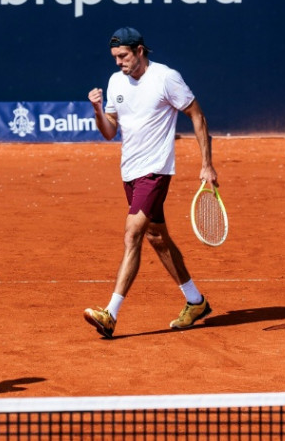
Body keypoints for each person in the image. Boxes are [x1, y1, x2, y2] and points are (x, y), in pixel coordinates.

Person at [83, 27, 218, 339]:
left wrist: (206, 164)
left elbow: (197, 116)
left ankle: (110, 314)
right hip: (129, 172)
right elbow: (109, 130)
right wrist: (97, 110)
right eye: (115, 57)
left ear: (140, 50)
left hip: (155, 171)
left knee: (132, 235)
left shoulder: (166, 78)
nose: (119, 62)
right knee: (157, 239)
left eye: (124, 56)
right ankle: (195, 301)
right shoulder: (116, 81)